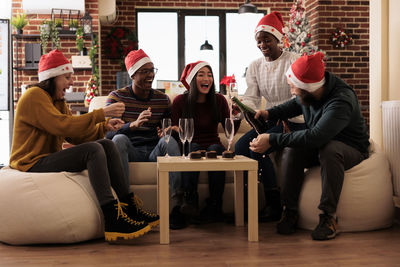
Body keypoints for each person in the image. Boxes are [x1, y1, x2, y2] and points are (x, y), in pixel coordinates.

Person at [9, 49, 156, 243]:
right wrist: (100, 114)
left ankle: (129, 206)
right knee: (93, 150)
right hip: (30, 162)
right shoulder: (34, 96)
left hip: (45, 158)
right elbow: (61, 125)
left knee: (106, 144)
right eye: (67, 77)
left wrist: (104, 127)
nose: (71, 82)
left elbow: (75, 135)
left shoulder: (58, 101)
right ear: (52, 77)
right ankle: (112, 218)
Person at [249, 52, 370, 240]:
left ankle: (328, 217)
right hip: (322, 144)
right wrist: (267, 113)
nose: (292, 92)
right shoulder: (312, 89)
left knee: (330, 149)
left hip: (350, 149)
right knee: (293, 148)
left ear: (307, 88)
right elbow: (294, 104)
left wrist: (272, 139)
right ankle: (290, 211)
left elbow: (316, 137)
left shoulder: (341, 100)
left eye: (293, 88)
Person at [234, 11, 305, 222]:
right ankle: (248, 203)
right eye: (259, 40)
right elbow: (251, 97)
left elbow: (302, 97)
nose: (263, 44)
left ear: (278, 39)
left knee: (258, 146)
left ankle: (274, 203)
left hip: (296, 120)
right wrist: (243, 106)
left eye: (267, 40)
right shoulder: (255, 66)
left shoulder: (294, 60)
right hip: (271, 119)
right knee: (240, 147)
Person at [105, 49, 181, 223]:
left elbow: (167, 126)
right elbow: (107, 132)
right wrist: (132, 125)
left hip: (155, 149)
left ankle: (177, 206)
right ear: (132, 75)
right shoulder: (116, 97)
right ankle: (127, 205)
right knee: (119, 139)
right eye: (144, 71)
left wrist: (168, 130)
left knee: (168, 142)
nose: (150, 75)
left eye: (152, 70)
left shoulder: (162, 100)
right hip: (130, 150)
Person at [169, 61, 240, 229]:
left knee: (215, 150)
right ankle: (190, 200)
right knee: (192, 149)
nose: (206, 78)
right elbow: (174, 129)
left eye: (209, 74)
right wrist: (174, 129)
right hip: (190, 144)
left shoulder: (219, 100)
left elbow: (230, 130)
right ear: (193, 79)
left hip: (213, 144)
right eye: (201, 74)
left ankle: (215, 205)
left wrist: (237, 116)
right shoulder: (180, 101)